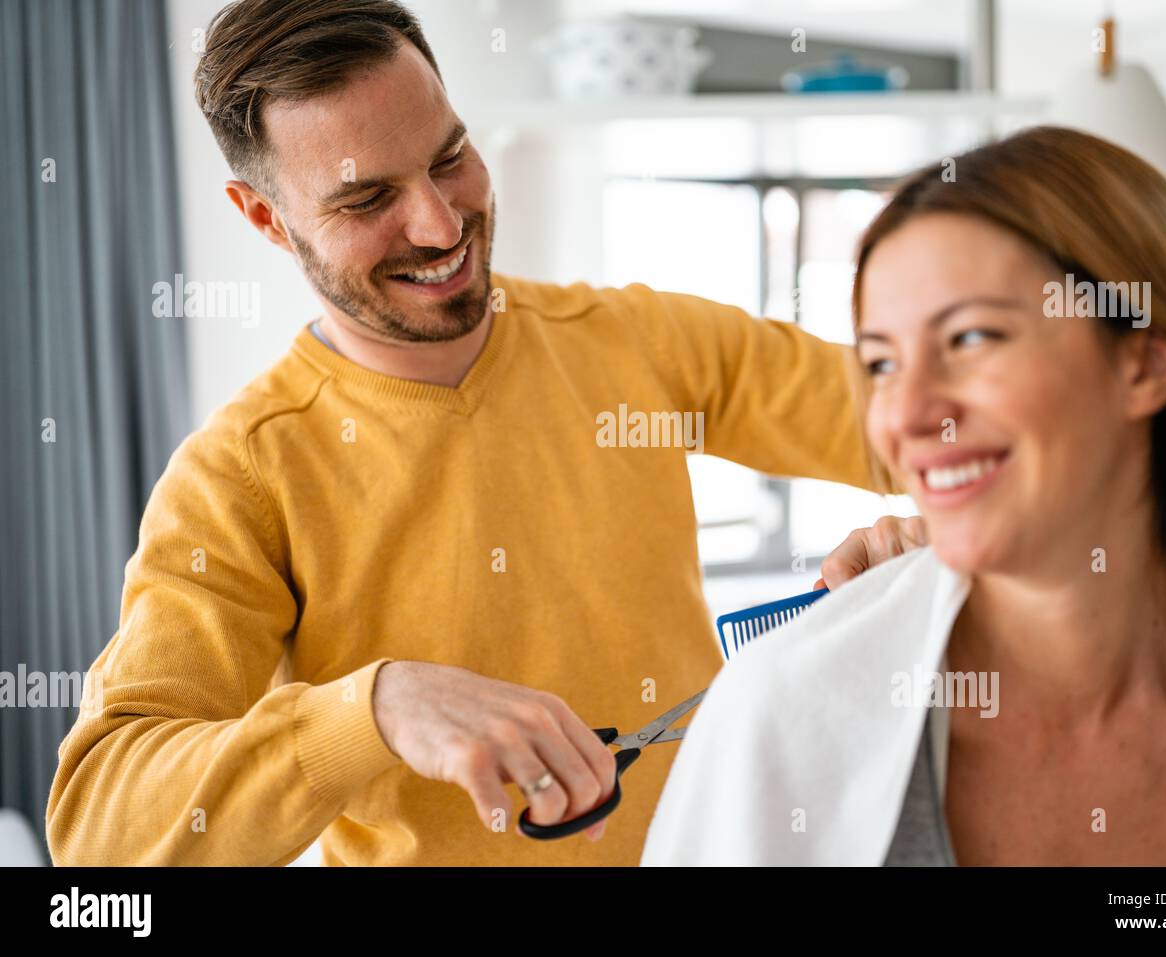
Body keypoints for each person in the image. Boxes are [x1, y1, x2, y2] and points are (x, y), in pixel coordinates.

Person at [43, 0, 924, 866]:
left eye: (450, 156)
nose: (440, 223)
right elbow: (100, 832)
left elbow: (967, 431)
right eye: (366, 199)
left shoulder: (640, 343)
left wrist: (934, 535)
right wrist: (375, 710)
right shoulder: (243, 475)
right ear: (266, 220)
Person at [641, 126, 1166, 866]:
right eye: (882, 362)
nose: (908, 413)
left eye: (971, 338)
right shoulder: (779, 718)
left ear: (1142, 366)